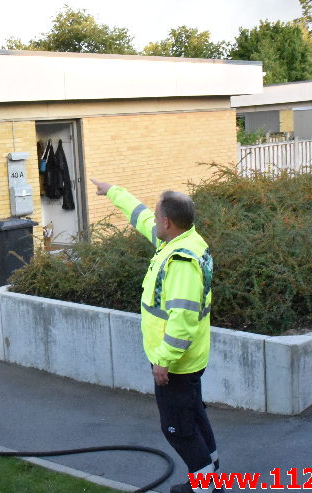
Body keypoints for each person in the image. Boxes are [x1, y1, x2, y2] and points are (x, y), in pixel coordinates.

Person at [90, 178, 219, 493]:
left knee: (178, 429)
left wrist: (163, 360)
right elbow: (141, 216)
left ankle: (205, 487)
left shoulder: (181, 261)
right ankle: (212, 477)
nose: (153, 220)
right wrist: (113, 191)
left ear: (168, 222)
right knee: (195, 417)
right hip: (187, 359)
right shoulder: (180, 241)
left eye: (158, 216)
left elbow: (183, 318)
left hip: (176, 363)